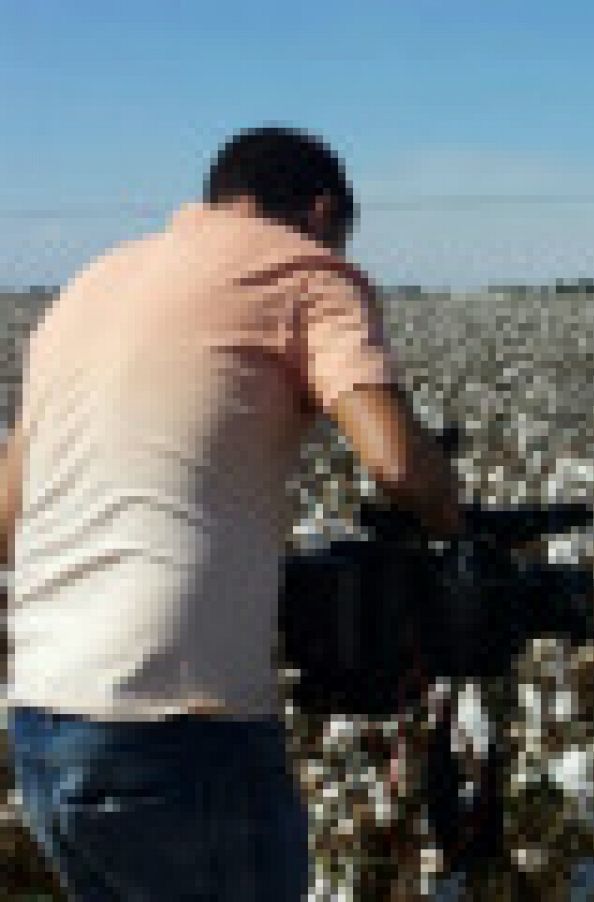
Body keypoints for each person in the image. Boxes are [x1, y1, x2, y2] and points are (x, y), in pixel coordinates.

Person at [0, 126, 463, 900]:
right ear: (321, 213)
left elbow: (5, 518)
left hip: (46, 727)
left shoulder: (90, 285)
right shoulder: (306, 272)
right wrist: (454, 526)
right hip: (180, 729)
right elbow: (397, 463)